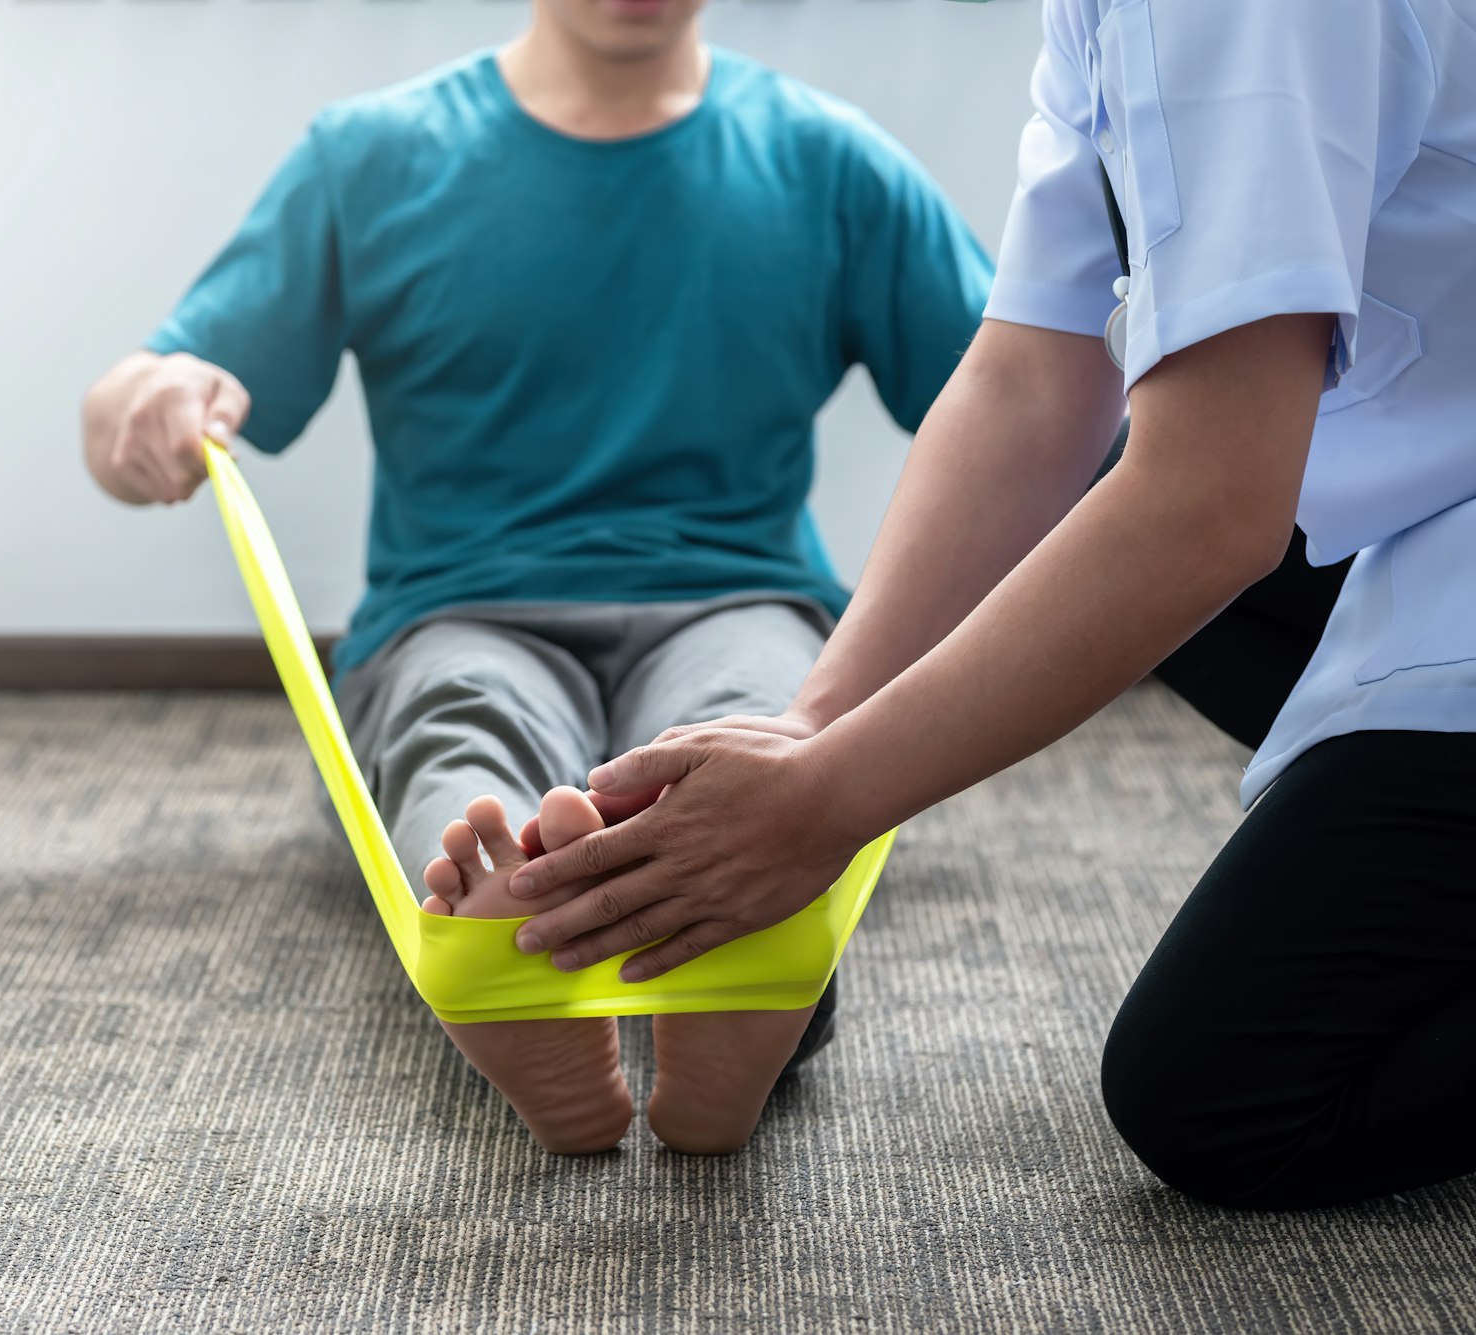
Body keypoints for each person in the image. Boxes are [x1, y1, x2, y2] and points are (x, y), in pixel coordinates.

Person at [503, 0, 1476, 1207]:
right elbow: (1035, 376)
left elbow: (1209, 506)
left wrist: (828, 803)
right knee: (1102, 542)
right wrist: (814, 728)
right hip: (1428, 501)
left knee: (1222, 1097)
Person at [80, 0, 993, 1153]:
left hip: (737, 597)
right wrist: (140, 406)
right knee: (461, 724)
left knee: (750, 726)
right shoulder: (371, 156)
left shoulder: (829, 161)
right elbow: (154, 380)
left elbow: (1023, 402)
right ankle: (550, 930)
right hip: (460, 607)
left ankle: (645, 971)